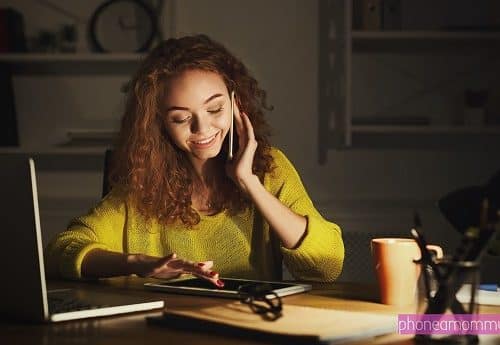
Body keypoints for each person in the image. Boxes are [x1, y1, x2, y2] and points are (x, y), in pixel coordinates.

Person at [45, 35, 344, 287]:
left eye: (214, 110)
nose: (202, 130)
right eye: (181, 118)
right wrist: (138, 263)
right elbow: (60, 251)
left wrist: (251, 184)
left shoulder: (269, 168)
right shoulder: (144, 182)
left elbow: (327, 265)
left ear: (235, 104)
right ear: (159, 123)